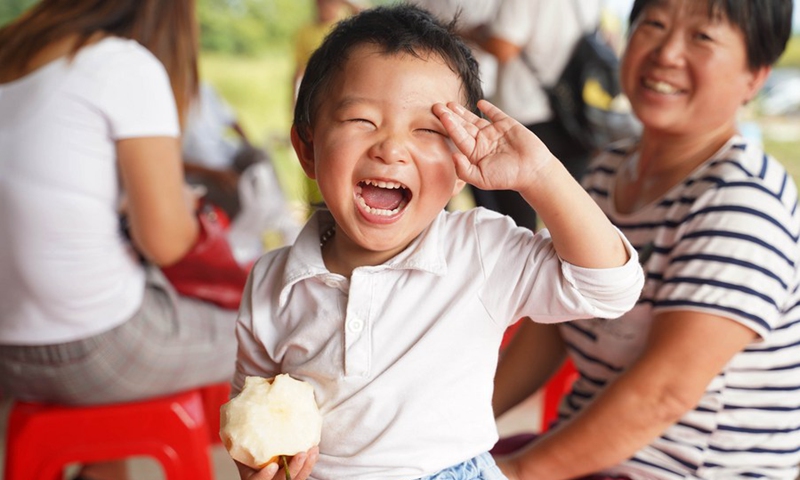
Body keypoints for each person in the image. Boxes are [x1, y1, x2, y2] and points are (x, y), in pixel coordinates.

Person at [231, 5, 644, 480]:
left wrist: (541, 175)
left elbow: (610, 288)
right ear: (307, 148)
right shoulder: (272, 281)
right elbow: (254, 414)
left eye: (427, 130)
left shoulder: (480, 251)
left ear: (457, 170)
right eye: (362, 120)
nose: (390, 148)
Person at [492, 0, 800, 479]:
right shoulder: (608, 169)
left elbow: (664, 394)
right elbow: (552, 329)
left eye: (702, 37)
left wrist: (515, 473)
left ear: (755, 75)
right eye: (654, 24)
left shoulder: (744, 198)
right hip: (588, 456)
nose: (667, 53)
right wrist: (451, 425)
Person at [0, 1, 237, 479]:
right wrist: (182, 210)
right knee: (273, 327)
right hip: (92, 351)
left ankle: (99, 470)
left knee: (103, 279)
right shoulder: (121, 64)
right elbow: (167, 242)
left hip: (8, 351)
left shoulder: (11, 53)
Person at [471, 0, 604, 230]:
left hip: (525, 112)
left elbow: (504, 46)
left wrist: (473, 33)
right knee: (571, 214)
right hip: (574, 114)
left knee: (515, 224)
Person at [182, 81, 269, 218]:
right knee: (239, 193)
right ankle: (240, 232)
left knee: (261, 160)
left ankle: (274, 218)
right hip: (199, 175)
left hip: (227, 158)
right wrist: (216, 174)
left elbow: (232, 120)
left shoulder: (204, 90)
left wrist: (248, 144)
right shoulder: (168, 102)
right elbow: (171, 163)